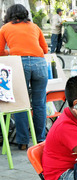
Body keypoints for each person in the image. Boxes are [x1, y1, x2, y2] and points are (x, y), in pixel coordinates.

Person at [0, 4, 48, 150]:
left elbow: (0, 51)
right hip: (40, 64)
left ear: (9, 15)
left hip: (19, 63)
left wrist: (11, 52)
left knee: (21, 103)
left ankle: (23, 141)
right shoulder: (34, 27)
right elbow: (45, 49)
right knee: (40, 103)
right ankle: (40, 140)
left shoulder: (5, 28)